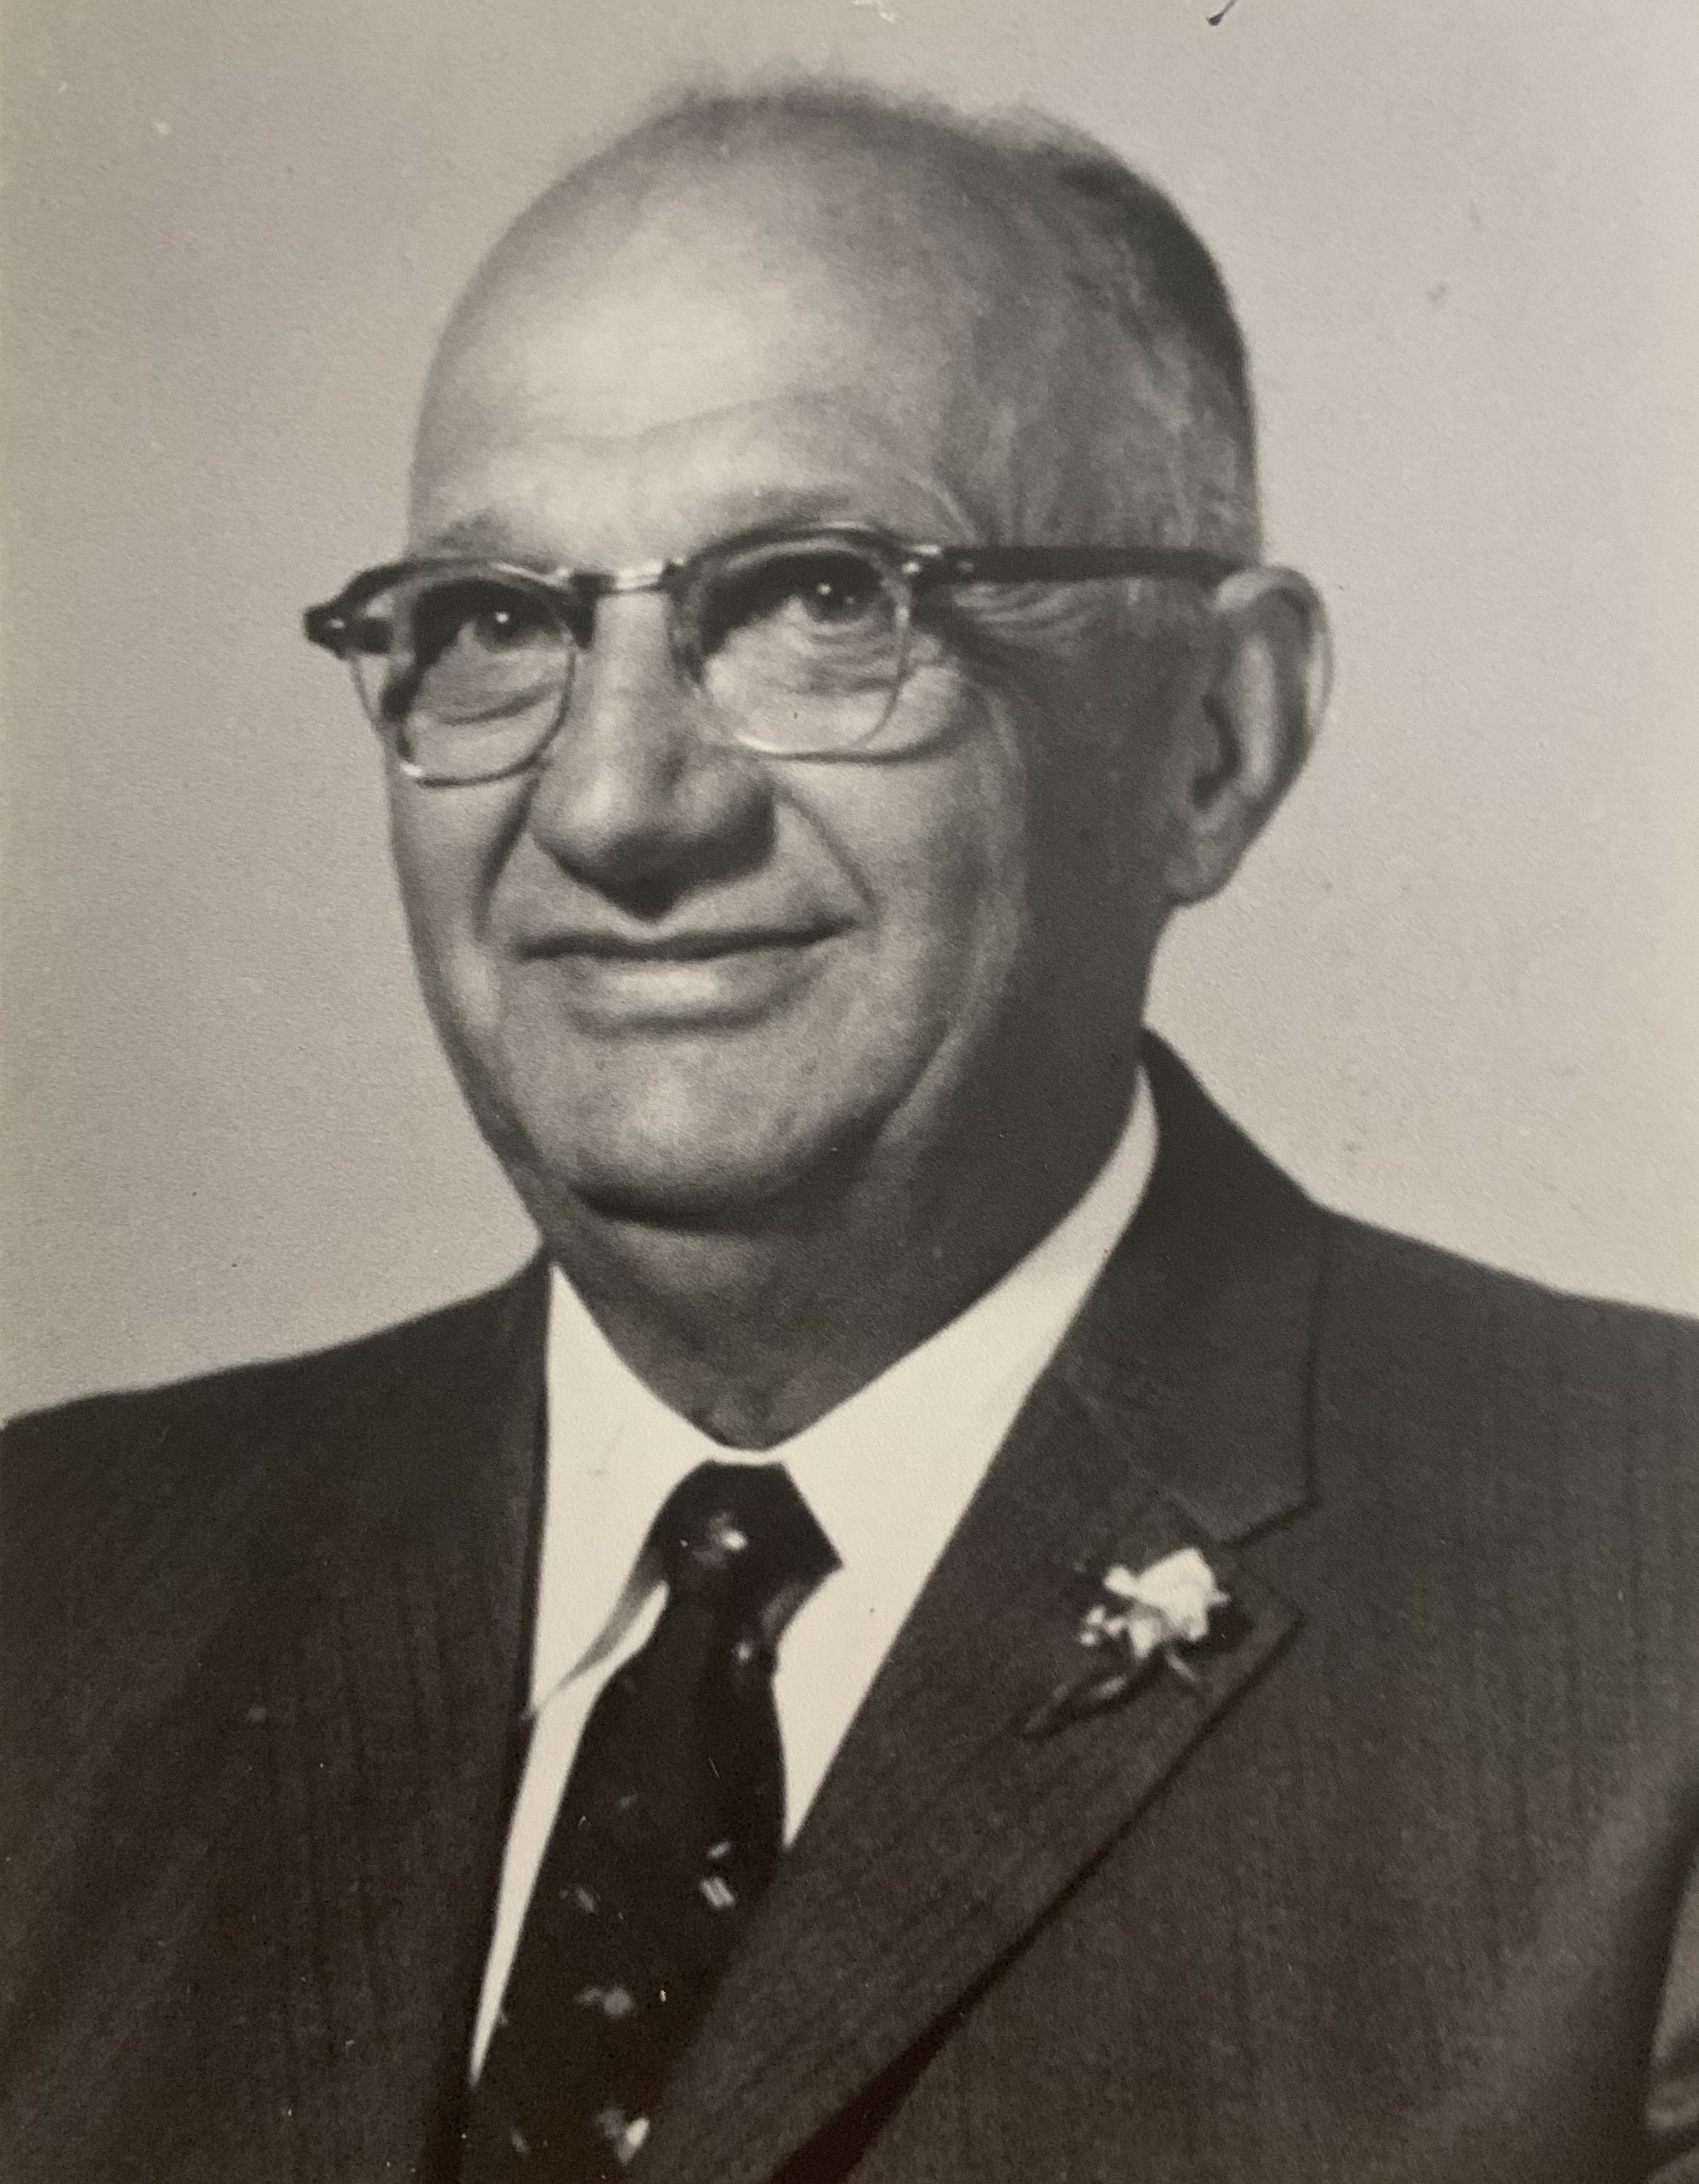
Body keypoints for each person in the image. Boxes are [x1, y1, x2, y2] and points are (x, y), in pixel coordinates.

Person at [2, 82, 1695, 2184]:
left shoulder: (1646, 1619)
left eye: (822, 596)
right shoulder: (53, 1602)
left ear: (1212, 740)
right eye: (499, 625)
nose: (615, 805)